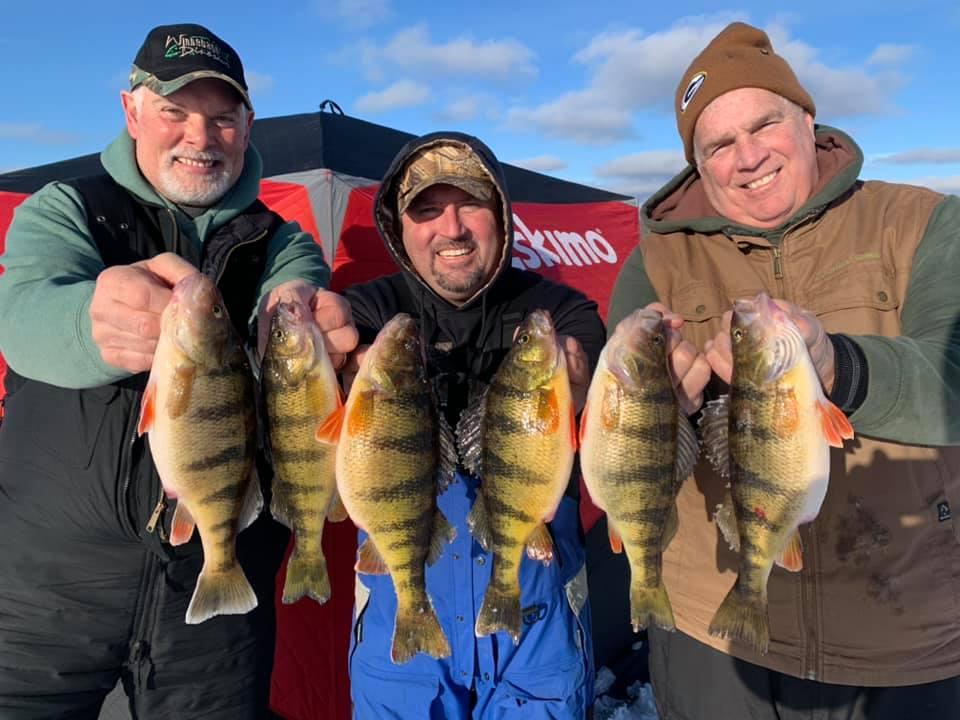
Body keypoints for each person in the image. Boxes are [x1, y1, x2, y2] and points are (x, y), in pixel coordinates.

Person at [0, 22, 357, 719]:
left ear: (247, 126)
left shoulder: (284, 241)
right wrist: (87, 322)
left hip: (217, 602)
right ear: (132, 111)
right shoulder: (65, 210)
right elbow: (22, 317)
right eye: (175, 112)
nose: (200, 137)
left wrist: (307, 324)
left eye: (222, 117)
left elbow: (296, 291)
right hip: (42, 590)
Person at [607, 21, 960, 720]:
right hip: (713, 627)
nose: (747, 157)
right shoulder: (656, 261)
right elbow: (627, 447)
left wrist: (842, 364)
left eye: (763, 124)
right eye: (718, 145)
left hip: (905, 630)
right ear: (698, 166)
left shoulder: (921, 222)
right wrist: (657, 398)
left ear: (807, 120)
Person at [341, 132, 605, 718]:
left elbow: (588, 377)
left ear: (503, 216)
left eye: (471, 205)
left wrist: (578, 380)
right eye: (427, 210)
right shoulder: (367, 311)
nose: (452, 228)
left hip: (537, 629)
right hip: (400, 629)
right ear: (399, 227)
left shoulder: (560, 312)